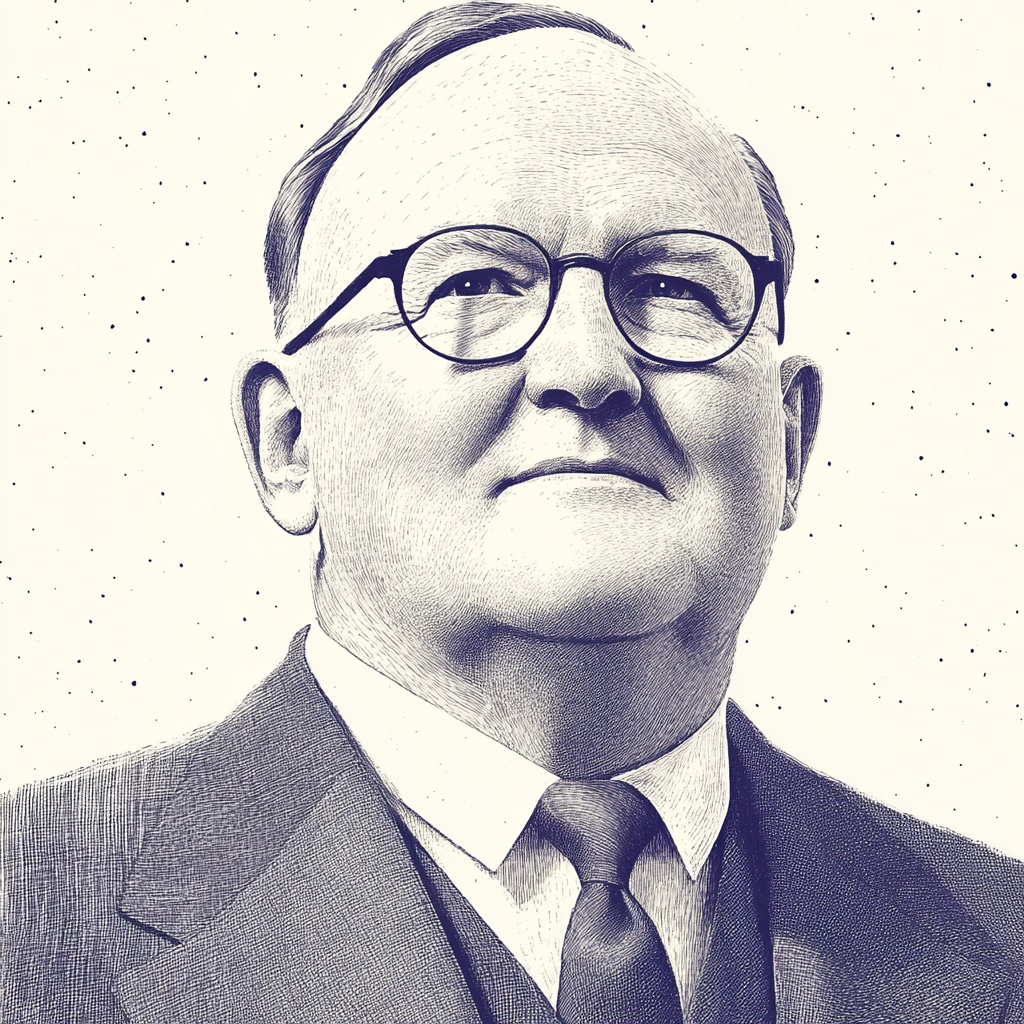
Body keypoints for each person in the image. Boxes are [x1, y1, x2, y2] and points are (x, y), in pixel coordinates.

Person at [2, 4, 1021, 1022]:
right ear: (290, 441)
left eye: (673, 286)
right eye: (475, 280)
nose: (589, 365)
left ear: (789, 440)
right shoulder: (25, 916)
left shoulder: (1000, 936)